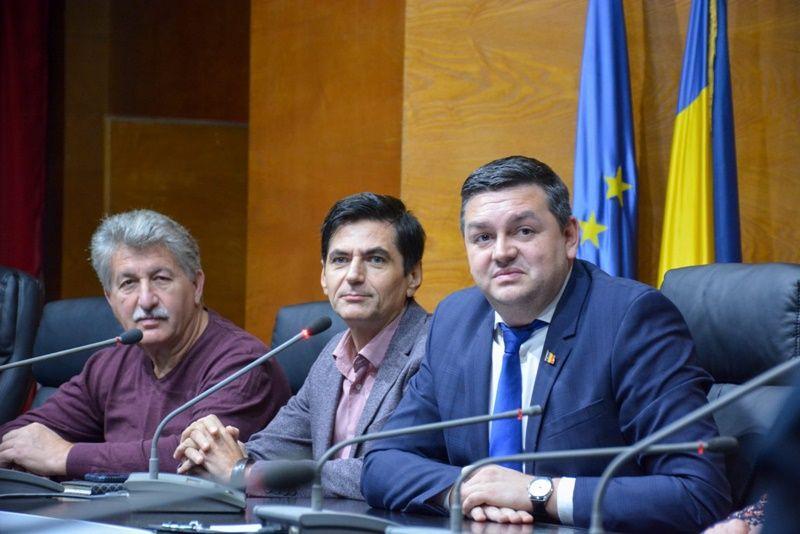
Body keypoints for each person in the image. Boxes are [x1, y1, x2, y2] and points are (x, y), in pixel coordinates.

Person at [361, 156, 731, 531]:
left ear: (569, 236)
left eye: (523, 231)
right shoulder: (455, 320)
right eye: (483, 237)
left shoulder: (629, 319)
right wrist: (467, 490)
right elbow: (383, 460)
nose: (501, 252)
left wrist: (539, 492)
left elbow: (698, 492)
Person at [174, 193, 429, 499]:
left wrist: (244, 473)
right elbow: (271, 448)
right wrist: (211, 451)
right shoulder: (332, 354)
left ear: (412, 276)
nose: (353, 276)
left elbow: (391, 472)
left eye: (376, 260)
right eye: (340, 260)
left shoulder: (431, 352)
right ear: (324, 277)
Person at [0, 209, 291, 478]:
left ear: (196, 285)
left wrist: (66, 456)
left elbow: (198, 460)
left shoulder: (243, 364)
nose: (146, 300)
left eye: (160, 279)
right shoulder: (110, 364)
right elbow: (22, 436)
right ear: (110, 298)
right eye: (128, 283)